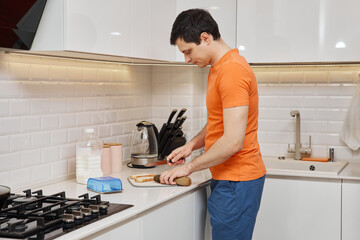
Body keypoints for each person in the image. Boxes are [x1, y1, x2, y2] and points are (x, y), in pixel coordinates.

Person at [160, 9, 267, 240]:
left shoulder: (232, 71)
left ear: (205, 38)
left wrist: (187, 168)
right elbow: (218, 122)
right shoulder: (219, 67)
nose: (187, 59)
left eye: (188, 51)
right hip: (229, 179)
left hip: (237, 180)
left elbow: (232, 141)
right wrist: (191, 146)